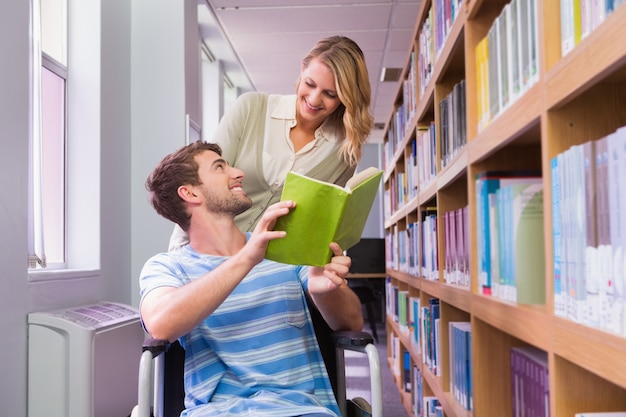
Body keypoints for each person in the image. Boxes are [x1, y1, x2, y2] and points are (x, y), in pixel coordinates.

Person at [140, 141, 364, 417]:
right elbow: (161, 325)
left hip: (300, 411)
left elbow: (352, 323)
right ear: (190, 192)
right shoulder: (168, 267)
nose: (238, 173)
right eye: (220, 167)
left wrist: (325, 291)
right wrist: (248, 257)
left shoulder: (285, 250)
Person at [169, 35, 374, 249]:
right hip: (213, 255)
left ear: (345, 98)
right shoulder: (251, 108)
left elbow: (322, 225)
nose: (314, 99)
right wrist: (177, 253)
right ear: (302, 70)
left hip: (276, 270)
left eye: (330, 94)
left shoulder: (343, 150)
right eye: (309, 84)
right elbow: (200, 182)